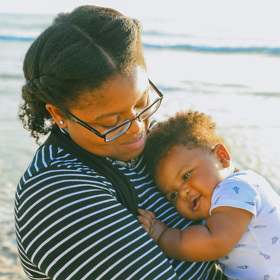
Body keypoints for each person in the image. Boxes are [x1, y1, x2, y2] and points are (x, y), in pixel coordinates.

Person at [15, 5, 227, 280]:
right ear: (59, 114)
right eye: (110, 121)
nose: (137, 128)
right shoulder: (56, 194)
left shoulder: (161, 147)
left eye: (141, 103)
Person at [138, 110, 280, 279]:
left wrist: (162, 235)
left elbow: (214, 242)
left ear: (222, 158)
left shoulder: (235, 188)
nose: (183, 193)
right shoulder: (226, 200)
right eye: (173, 195)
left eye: (186, 175)